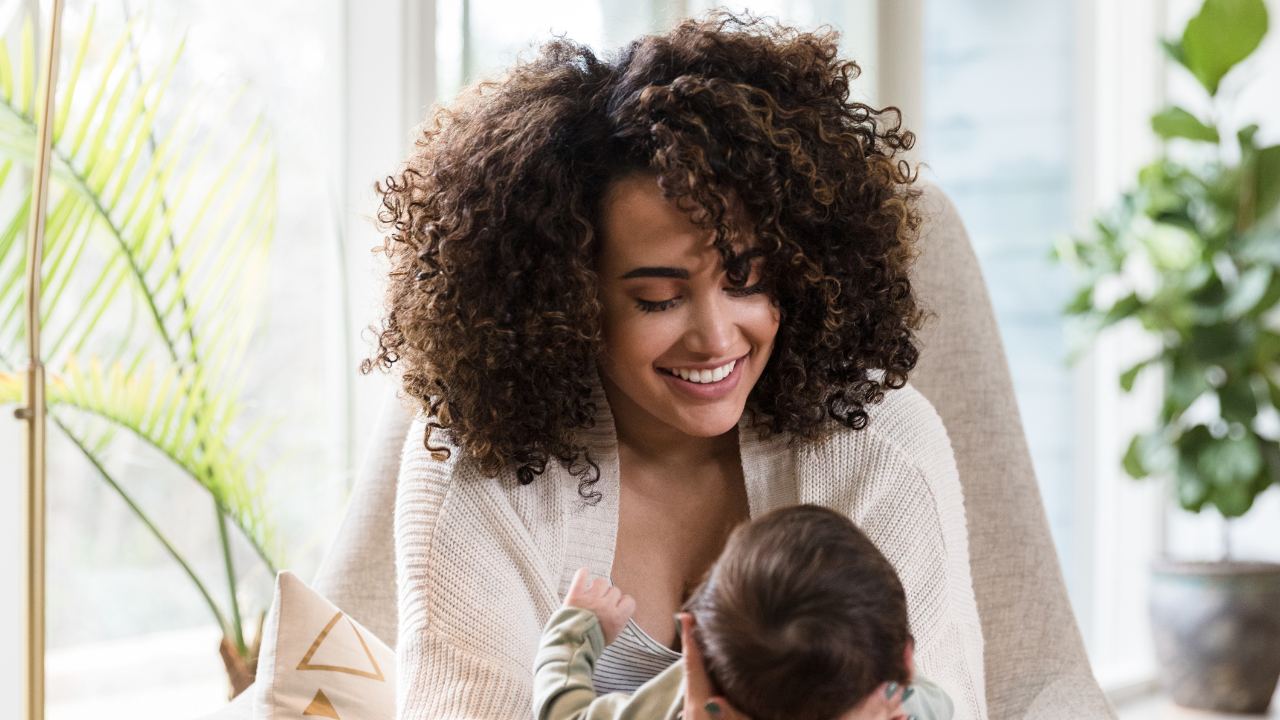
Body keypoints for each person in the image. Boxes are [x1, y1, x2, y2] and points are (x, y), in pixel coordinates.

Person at [363, 11, 986, 720]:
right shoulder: (474, 475)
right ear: (565, 300)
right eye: (658, 299)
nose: (717, 338)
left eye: (747, 279)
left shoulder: (882, 451)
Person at [534, 505, 955, 720]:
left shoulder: (674, 704)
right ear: (905, 659)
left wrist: (578, 627)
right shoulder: (912, 705)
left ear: (696, 636)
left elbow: (564, 713)